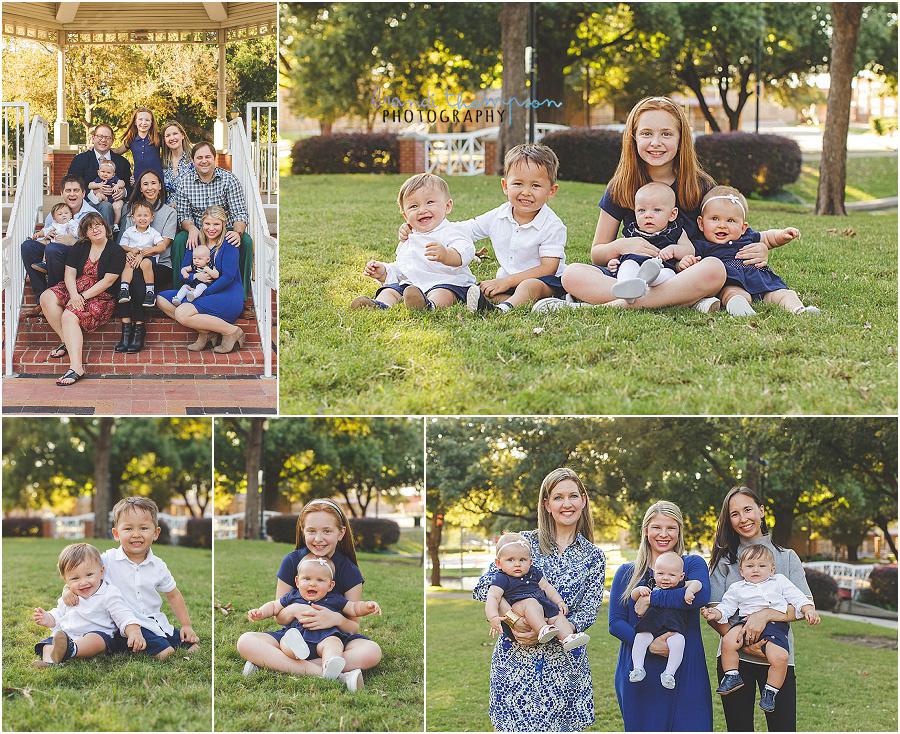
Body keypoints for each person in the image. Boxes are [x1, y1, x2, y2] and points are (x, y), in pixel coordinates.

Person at [539, 96, 746, 314]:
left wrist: (759, 246)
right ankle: (687, 300)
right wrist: (621, 247)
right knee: (572, 274)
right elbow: (597, 253)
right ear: (634, 138)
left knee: (714, 269)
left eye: (666, 134)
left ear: (680, 139)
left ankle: (602, 307)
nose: (656, 142)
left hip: (681, 275)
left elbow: (727, 229)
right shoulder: (620, 186)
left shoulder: (700, 185)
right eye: (647, 133)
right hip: (631, 273)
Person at [473, 468, 605, 732]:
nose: (566, 504)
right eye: (558, 497)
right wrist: (516, 622)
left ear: (583, 500)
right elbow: (485, 587)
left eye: (572, 496)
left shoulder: (594, 556)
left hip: (564, 667)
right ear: (546, 504)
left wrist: (556, 627)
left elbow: (588, 612)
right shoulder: (522, 543)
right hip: (517, 662)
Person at [236, 499, 383, 692]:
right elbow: (278, 616)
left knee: (371, 652)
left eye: (327, 531)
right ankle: (332, 675)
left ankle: (274, 664)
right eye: (311, 531)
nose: (318, 538)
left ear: (341, 533)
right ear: (303, 531)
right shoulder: (291, 561)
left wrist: (335, 618)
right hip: (295, 635)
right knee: (245, 641)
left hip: (333, 638)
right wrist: (295, 609)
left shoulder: (349, 570)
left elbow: (353, 627)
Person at [706, 486, 814, 731]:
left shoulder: (787, 558)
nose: (743, 519)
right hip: (734, 658)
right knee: (739, 728)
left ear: (761, 511)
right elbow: (714, 610)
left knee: (783, 727)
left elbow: (804, 605)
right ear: (728, 520)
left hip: (777, 657)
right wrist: (746, 643)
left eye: (748, 510)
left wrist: (764, 615)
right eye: (735, 514)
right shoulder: (724, 561)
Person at [608, 500, 713, 731]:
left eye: (671, 528)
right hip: (640, 669)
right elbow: (615, 623)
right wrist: (649, 645)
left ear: (679, 532)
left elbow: (701, 596)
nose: (663, 534)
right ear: (645, 530)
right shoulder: (627, 572)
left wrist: (651, 598)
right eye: (656, 527)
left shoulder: (692, 564)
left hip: (686, 667)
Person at [57, 497, 200, 660]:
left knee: (193, 647)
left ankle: (162, 638)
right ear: (116, 534)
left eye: (144, 528)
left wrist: (186, 625)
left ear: (155, 533)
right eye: (128, 529)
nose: (136, 535)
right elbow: (82, 573)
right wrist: (67, 589)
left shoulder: (158, 565)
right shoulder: (107, 560)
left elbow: (173, 595)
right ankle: (122, 645)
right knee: (166, 654)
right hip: (125, 626)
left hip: (154, 621)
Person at [702, 544, 819, 712]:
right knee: (728, 641)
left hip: (774, 626)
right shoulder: (737, 588)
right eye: (750, 566)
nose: (755, 570)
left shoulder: (779, 581)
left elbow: (797, 597)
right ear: (741, 571)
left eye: (761, 566)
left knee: (780, 657)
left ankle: (770, 691)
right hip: (745, 623)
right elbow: (726, 607)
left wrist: (808, 609)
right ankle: (732, 675)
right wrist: (715, 613)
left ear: (771, 570)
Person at [455, 144, 568, 314]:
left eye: (535, 186)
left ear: (551, 191)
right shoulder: (498, 216)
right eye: (518, 183)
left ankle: (502, 309)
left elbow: (548, 268)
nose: (526, 192)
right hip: (508, 282)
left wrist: (508, 282)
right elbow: (467, 228)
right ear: (505, 186)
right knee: (482, 289)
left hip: (546, 283)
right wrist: (429, 228)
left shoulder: (552, 225)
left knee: (529, 286)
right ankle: (507, 302)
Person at [680, 186, 821, 317]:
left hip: (758, 278)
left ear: (742, 227)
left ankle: (798, 309)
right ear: (701, 223)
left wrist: (782, 235)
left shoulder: (747, 236)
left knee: (783, 293)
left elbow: (767, 238)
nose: (722, 225)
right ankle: (741, 309)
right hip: (731, 281)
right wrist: (686, 262)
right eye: (715, 219)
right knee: (733, 293)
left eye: (730, 220)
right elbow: (692, 263)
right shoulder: (700, 245)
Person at [351, 173, 475, 311]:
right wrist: (384, 272)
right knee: (391, 289)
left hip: (446, 281)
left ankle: (429, 306)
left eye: (430, 202)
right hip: (414, 284)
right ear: (405, 215)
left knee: (443, 292)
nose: (422, 210)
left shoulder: (451, 230)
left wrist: (447, 254)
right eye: (414, 206)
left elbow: (466, 251)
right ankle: (380, 304)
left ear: (447, 206)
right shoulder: (409, 236)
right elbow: (404, 266)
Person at [247, 555, 382, 680]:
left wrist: (367, 606)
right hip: (297, 637)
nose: (312, 584)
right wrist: (260, 612)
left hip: (326, 637)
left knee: (334, 643)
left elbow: (353, 608)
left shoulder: (334, 599)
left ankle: (328, 663)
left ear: (330, 586)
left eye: (320, 580)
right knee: (282, 642)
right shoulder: (293, 596)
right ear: (297, 581)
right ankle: (328, 673)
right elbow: (273, 606)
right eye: (307, 578)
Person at [39, 213, 125, 386]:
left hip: (101, 295)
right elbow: (69, 273)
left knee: (69, 315)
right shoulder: (80, 246)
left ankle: (76, 367)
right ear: (85, 233)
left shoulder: (116, 251)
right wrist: (74, 295)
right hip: (76, 288)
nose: (95, 229)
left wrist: (82, 297)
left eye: (99, 225)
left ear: (105, 227)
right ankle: (66, 340)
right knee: (46, 297)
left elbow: (108, 281)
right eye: (90, 227)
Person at [31, 542, 144, 668]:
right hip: (67, 635)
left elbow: (123, 614)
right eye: (75, 578)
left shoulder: (108, 594)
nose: (83, 582)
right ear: (66, 581)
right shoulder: (69, 595)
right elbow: (59, 613)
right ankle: (50, 662)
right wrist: (47, 618)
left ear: (101, 572)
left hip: (97, 635)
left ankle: (71, 650)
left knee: (95, 639)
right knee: (48, 644)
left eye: (89, 575)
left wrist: (134, 632)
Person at [156, 206, 246, 353]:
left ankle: (231, 331)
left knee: (182, 313)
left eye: (216, 224)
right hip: (199, 292)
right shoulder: (195, 242)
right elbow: (182, 273)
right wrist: (195, 276)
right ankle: (206, 331)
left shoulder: (228, 242)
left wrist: (206, 293)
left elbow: (228, 277)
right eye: (207, 224)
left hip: (226, 294)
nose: (211, 228)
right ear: (201, 224)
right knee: (161, 299)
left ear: (223, 225)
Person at [171, 141, 252, 298]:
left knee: (246, 241)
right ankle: (180, 291)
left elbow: (239, 213)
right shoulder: (184, 183)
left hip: (224, 229)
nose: (204, 161)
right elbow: (183, 215)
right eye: (199, 157)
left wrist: (237, 232)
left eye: (208, 156)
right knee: (180, 240)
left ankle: (241, 296)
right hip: (198, 230)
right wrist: (191, 228)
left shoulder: (229, 179)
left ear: (214, 159)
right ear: (193, 161)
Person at [485, 532, 590, 650]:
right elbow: (493, 597)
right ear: (498, 563)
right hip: (519, 607)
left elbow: (547, 587)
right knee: (530, 602)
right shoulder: (501, 578)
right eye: (510, 560)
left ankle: (568, 637)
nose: (517, 564)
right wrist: (493, 617)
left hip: (541, 605)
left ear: (530, 562)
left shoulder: (533, 572)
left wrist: (559, 602)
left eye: (522, 559)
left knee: (557, 616)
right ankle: (542, 629)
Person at [115, 170, 177, 353]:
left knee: (136, 277)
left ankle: (138, 330)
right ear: (140, 188)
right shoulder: (131, 210)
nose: (149, 187)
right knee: (128, 275)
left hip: (159, 264)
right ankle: (127, 330)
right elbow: (124, 242)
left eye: (153, 183)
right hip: (133, 260)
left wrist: (142, 255)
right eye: (145, 184)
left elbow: (163, 245)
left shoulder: (169, 212)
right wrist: (129, 254)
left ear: (160, 186)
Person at [606, 182, 695, 302]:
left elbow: (689, 250)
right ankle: (626, 288)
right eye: (642, 210)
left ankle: (643, 282)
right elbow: (621, 251)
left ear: (672, 214)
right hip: (634, 265)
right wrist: (614, 262)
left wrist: (673, 249)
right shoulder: (632, 231)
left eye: (657, 210)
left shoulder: (675, 230)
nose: (648, 215)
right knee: (627, 265)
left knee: (669, 274)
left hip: (661, 268)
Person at [627, 551, 703, 690]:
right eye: (661, 574)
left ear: (681, 576)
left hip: (673, 628)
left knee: (679, 643)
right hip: (650, 625)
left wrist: (689, 591)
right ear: (654, 573)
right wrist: (639, 590)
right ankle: (638, 668)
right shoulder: (650, 585)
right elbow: (633, 597)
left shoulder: (680, 586)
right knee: (640, 638)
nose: (665, 578)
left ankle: (669, 673)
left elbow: (698, 583)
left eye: (671, 575)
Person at [21, 175, 98, 307]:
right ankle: (41, 297)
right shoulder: (54, 215)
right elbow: (46, 233)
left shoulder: (91, 215)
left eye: (76, 190)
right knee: (28, 246)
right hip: (54, 249)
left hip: (79, 258)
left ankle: (55, 296)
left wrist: (74, 241)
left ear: (83, 193)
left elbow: (99, 245)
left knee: (53, 249)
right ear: (62, 194)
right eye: (68, 191)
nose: (72, 194)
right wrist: (45, 238)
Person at [66, 124, 131, 227]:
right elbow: (71, 184)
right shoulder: (80, 160)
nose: (103, 140)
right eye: (100, 136)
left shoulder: (122, 162)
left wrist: (124, 192)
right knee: (105, 206)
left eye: (107, 138)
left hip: (116, 202)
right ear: (93, 138)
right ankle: (107, 241)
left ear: (112, 141)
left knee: (129, 209)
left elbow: (130, 185)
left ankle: (121, 242)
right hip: (89, 203)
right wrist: (94, 192)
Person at [116, 202, 164, 308]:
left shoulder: (153, 233)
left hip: (148, 257)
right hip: (133, 255)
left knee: (146, 263)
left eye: (146, 215)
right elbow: (122, 246)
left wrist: (152, 249)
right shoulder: (129, 232)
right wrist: (130, 249)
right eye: (139, 215)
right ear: (133, 218)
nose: (142, 219)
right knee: (128, 263)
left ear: (151, 218)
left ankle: (150, 292)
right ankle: (124, 289)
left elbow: (162, 246)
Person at [112, 107, 163, 184]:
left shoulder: (158, 137)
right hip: (138, 180)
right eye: (140, 119)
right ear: (135, 122)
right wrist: (97, 148)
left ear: (151, 122)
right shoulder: (131, 140)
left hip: (157, 179)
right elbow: (117, 151)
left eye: (147, 120)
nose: (143, 123)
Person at [31, 203, 79, 275]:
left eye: (66, 213)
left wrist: (77, 234)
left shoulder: (71, 223)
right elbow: (45, 230)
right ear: (54, 218)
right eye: (60, 214)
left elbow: (77, 231)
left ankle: (45, 263)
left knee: (50, 246)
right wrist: (38, 234)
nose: (64, 215)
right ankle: (44, 263)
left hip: (66, 245)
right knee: (46, 244)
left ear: (71, 215)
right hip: (54, 243)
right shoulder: (55, 225)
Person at [89, 160, 126, 230]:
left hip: (115, 199)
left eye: (108, 173)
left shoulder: (114, 179)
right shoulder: (98, 180)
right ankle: (96, 201)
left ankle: (115, 224)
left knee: (118, 207)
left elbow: (122, 182)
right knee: (99, 195)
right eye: (103, 172)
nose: (105, 174)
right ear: (98, 172)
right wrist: (98, 185)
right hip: (105, 199)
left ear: (113, 174)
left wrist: (117, 186)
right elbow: (90, 185)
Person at [160, 120, 193, 196]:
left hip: (189, 204)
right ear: (164, 140)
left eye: (175, 134)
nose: (172, 138)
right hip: (168, 206)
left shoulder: (193, 159)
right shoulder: (162, 163)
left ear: (182, 135)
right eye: (168, 136)